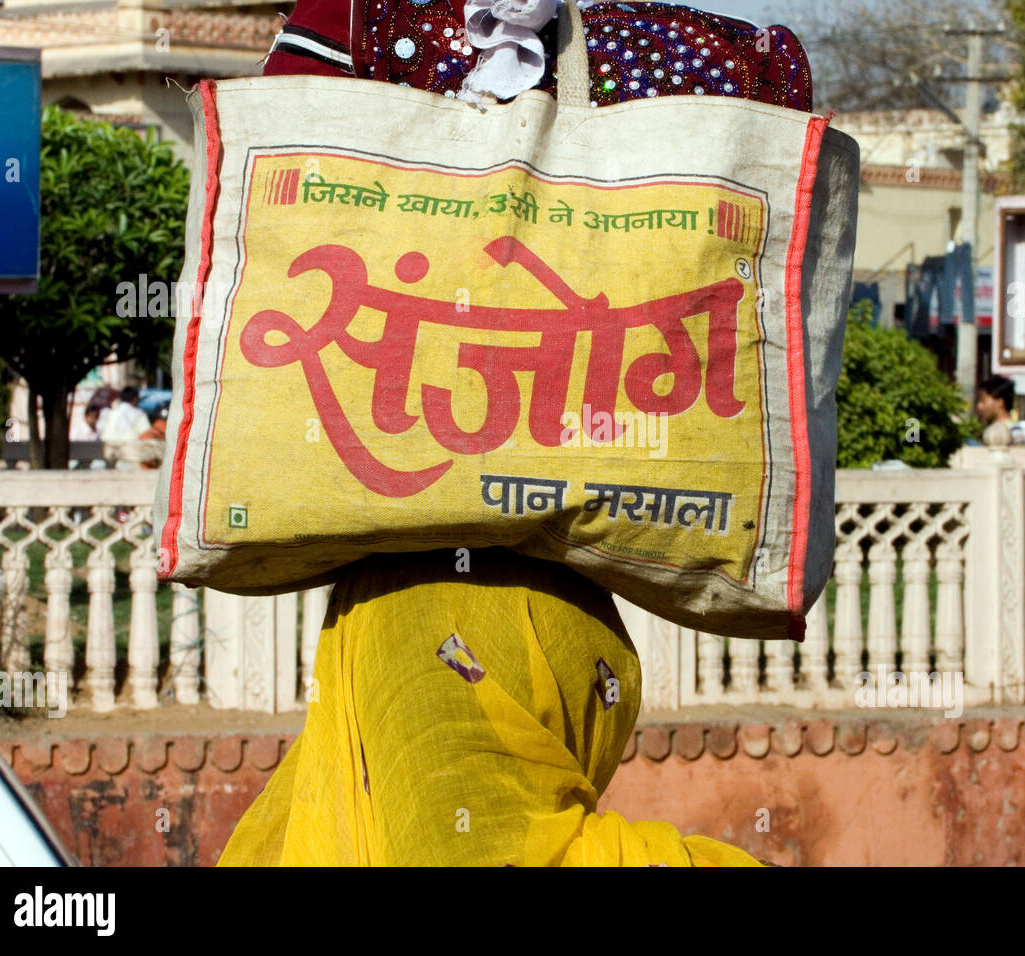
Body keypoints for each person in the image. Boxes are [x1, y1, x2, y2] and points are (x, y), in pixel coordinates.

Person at [219, 0, 812, 867]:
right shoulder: (658, 57)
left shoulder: (356, 22)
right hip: (564, 628)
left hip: (440, 617)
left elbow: (272, 197)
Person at [99, 386, 153, 468]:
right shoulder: (138, 413)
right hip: (130, 449)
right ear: (135, 398)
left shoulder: (112, 412)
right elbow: (146, 433)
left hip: (108, 446)